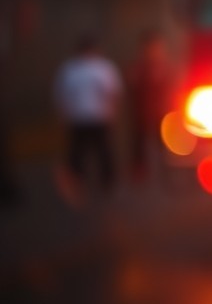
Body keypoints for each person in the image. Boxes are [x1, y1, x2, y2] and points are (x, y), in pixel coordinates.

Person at [54, 33, 122, 192]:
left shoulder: (74, 69)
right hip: (91, 117)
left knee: (95, 151)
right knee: (88, 151)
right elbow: (114, 93)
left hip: (87, 117)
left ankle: (93, 180)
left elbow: (61, 96)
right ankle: (91, 180)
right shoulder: (101, 68)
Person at [127, 29, 174, 182]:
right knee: (139, 143)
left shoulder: (164, 66)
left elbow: (172, 87)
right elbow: (132, 85)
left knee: (163, 144)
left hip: (162, 112)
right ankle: (139, 172)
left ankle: (166, 171)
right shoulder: (139, 66)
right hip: (142, 111)